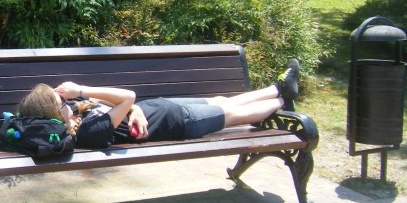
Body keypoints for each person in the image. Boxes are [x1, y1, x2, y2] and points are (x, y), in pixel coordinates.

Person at [16, 60, 300, 150]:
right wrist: (81, 89)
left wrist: (135, 109)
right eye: (61, 101)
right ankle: (282, 100)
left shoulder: (78, 114)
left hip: (163, 107)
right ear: (53, 116)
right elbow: (127, 96)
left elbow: (118, 102)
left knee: (221, 102)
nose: (67, 99)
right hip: (178, 122)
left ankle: (277, 88)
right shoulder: (87, 133)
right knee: (234, 114)